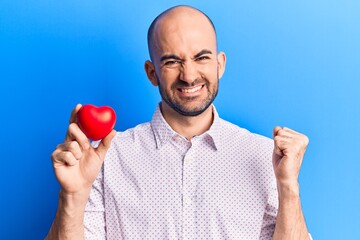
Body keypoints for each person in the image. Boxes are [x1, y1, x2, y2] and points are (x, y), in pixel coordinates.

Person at [47, 5, 311, 240]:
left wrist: (288, 186)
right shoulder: (105, 159)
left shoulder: (264, 156)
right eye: (173, 61)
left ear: (220, 64)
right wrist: (72, 195)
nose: (189, 75)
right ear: (152, 73)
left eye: (202, 57)